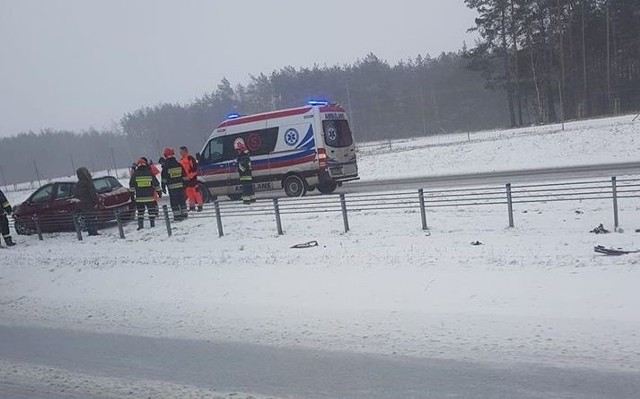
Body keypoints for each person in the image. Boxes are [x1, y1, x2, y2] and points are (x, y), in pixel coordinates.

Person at [130, 158, 162, 230]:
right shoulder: (150, 173)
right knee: (151, 211)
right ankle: (152, 225)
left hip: (139, 199)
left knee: (140, 213)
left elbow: (131, 185)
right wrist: (159, 192)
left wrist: (132, 195)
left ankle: (140, 226)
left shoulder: (135, 175)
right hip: (150, 198)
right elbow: (156, 184)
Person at [161, 148, 188, 221]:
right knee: (182, 201)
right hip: (181, 186)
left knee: (174, 202)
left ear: (165, 156)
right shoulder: (178, 164)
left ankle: (177, 216)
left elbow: (164, 179)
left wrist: (163, 187)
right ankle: (185, 214)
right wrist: (185, 185)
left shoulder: (165, 167)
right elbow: (184, 176)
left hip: (172, 188)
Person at [75, 167, 100, 236]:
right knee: (92, 217)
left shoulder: (78, 184)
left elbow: (76, 195)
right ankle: (94, 232)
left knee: (87, 218)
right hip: (90, 203)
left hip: (83, 204)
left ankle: (90, 232)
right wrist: (96, 202)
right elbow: (92, 193)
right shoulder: (88, 182)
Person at [179, 146, 203, 212]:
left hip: (193, 179)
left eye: (181, 151)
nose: (180, 153)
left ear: (185, 151)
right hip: (186, 180)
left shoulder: (190, 158)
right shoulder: (181, 160)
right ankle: (192, 206)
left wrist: (189, 177)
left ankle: (200, 205)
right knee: (189, 193)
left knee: (196, 192)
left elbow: (195, 169)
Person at [235, 139, 255, 204]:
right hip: (248, 174)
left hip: (244, 175)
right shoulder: (246, 155)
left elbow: (243, 167)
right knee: (249, 187)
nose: (237, 151)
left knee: (245, 187)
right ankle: (252, 198)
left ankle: (246, 200)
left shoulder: (243, 156)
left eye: (238, 150)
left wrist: (238, 167)